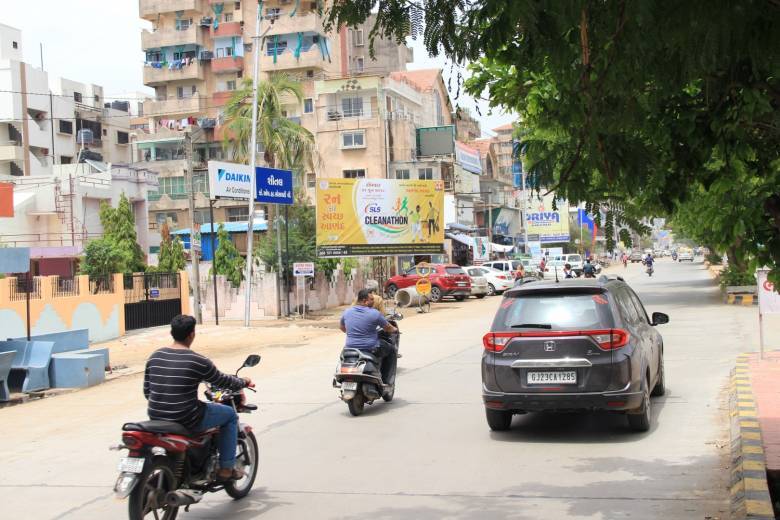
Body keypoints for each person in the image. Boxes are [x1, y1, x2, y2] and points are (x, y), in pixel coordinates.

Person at [143, 315, 251, 481]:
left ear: (172, 333)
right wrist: (243, 381)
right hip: (187, 418)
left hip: (156, 416)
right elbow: (222, 380)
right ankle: (226, 469)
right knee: (229, 415)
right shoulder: (198, 361)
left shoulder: (155, 356)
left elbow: (147, 392)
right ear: (192, 334)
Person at [341, 289, 398, 382]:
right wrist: (395, 330)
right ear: (364, 301)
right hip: (370, 348)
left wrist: (354, 333)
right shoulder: (374, 313)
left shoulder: (347, 312)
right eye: (371, 299)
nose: (373, 301)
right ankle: (387, 381)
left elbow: (342, 328)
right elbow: (388, 327)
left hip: (350, 347)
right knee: (391, 350)